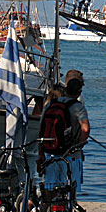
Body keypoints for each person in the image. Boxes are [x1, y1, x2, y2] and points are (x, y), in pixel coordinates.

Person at [37, 69, 90, 198]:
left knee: (50, 192)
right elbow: (86, 129)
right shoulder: (78, 107)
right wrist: (79, 145)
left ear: (65, 87)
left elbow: (41, 131)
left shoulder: (51, 104)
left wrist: (40, 154)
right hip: (72, 155)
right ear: (79, 91)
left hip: (51, 153)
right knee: (71, 193)